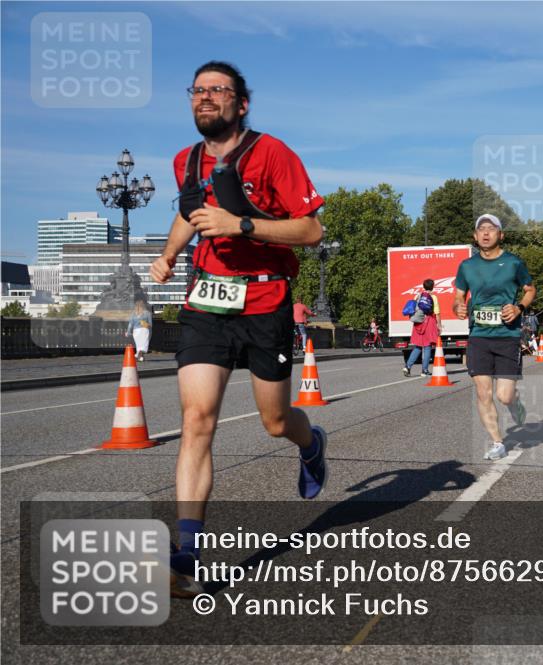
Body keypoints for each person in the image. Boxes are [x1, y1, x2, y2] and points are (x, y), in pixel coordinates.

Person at [149, 61, 327, 598]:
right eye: (197, 91)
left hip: (266, 297)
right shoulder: (187, 159)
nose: (205, 99)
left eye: (217, 91)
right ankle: (186, 555)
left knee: (275, 421)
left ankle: (310, 441)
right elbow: (191, 212)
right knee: (197, 419)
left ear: (241, 103)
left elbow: (312, 230)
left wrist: (242, 224)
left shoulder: (272, 153)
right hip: (207, 301)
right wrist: (168, 254)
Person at [454, 214, 536, 461]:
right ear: (475, 236)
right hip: (478, 335)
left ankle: (515, 403)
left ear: (501, 235)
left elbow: (530, 290)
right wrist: (457, 306)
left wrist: (519, 308)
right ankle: (497, 441)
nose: (486, 233)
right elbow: (458, 296)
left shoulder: (513, 263)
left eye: (491, 229)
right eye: (481, 229)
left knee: (504, 396)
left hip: (507, 335)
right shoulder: (467, 266)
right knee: (482, 392)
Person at [403, 278, 440, 377]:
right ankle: (424, 370)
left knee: (418, 346)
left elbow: (413, 309)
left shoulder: (417, 296)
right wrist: (439, 325)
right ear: (432, 287)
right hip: (428, 322)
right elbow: (436, 313)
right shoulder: (433, 297)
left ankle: (408, 366)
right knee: (427, 347)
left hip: (418, 323)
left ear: (423, 286)